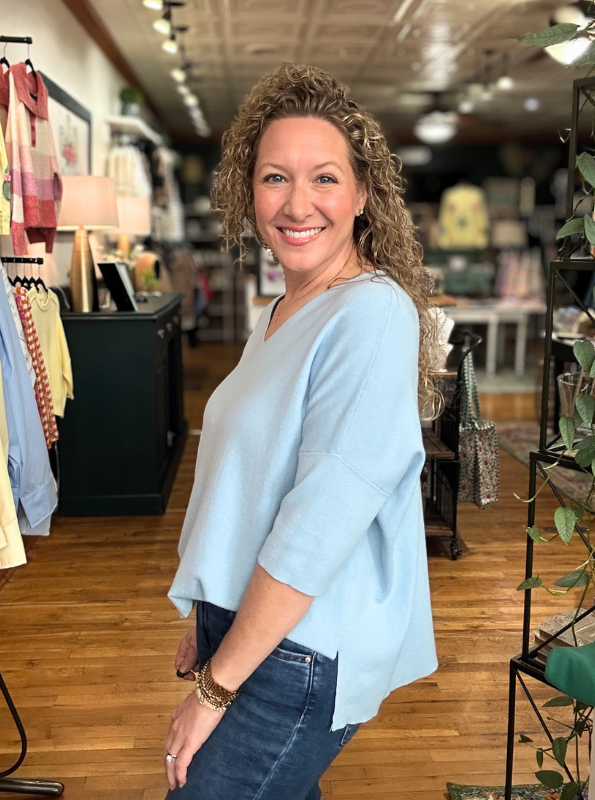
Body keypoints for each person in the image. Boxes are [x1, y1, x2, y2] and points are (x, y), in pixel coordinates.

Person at [164, 62, 440, 800]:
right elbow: (249, 485)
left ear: (361, 195)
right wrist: (208, 609)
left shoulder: (372, 314)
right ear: (246, 192)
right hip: (254, 625)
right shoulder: (284, 312)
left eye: (323, 178)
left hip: (302, 648)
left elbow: (318, 522)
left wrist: (216, 691)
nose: (296, 203)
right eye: (273, 177)